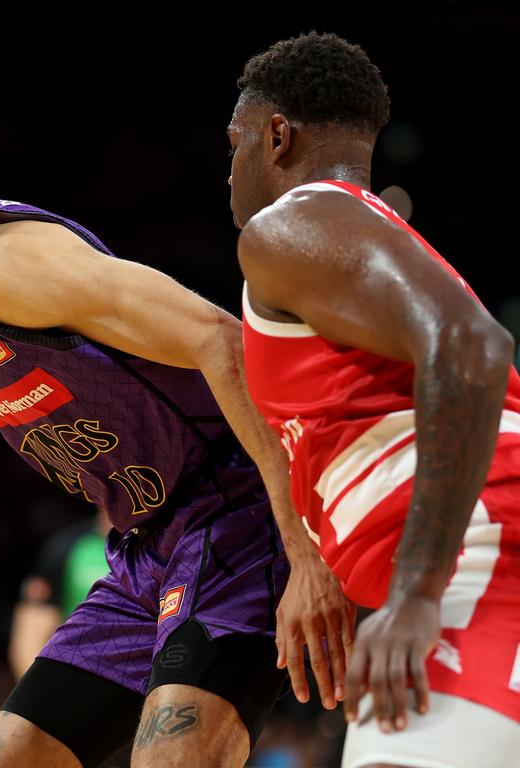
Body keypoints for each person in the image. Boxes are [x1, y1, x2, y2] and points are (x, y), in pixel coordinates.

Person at [0, 66, 349, 768]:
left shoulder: (5, 265)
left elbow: (224, 342)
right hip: (144, 545)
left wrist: (303, 546)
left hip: (238, 513)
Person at [229, 31, 520, 768]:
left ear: (275, 136)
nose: (227, 169)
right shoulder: (353, 240)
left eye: (233, 142)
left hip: (480, 557)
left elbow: (474, 348)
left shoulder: (293, 224)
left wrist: (419, 593)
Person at [8, 507, 111, 681]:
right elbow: (30, 633)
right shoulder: (67, 547)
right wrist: (41, 692)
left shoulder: (163, 546)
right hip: (78, 675)